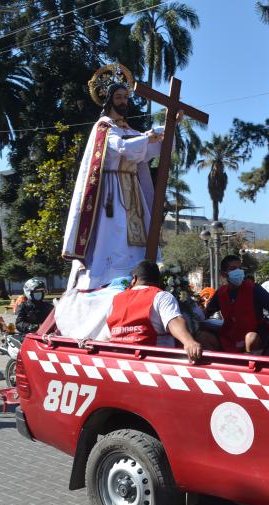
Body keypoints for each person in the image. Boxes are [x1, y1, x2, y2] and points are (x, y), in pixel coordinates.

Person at [57, 65, 177, 338]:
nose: (124, 102)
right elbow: (123, 148)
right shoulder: (104, 128)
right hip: (110, 192)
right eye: (119, 97)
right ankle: (106, 281)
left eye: (126, 97)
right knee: (112, 237)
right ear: (109, 99)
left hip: (131, 191)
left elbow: (145, 152)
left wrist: (165, 131)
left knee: (135, 236)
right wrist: (149, 135)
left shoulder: (128, 129)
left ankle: (139, 280)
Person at [98, 261, 202, 362]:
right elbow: (173, 320)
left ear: (134, 279)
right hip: (152, 365)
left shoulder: (116, 299)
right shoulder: (162, 296)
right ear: (159, 281)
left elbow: (106, 335)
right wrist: (189, 341)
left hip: (118, 362)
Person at [203, 255, 269, 353]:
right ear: (223, 274)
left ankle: (249, 365)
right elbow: (205, 313)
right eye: (233, 269)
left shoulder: (254, 289)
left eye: (240, 268)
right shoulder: (220, 293)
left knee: (251, 338)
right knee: (203, 336)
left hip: (255, 335)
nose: (239, 271)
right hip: (230, 336)